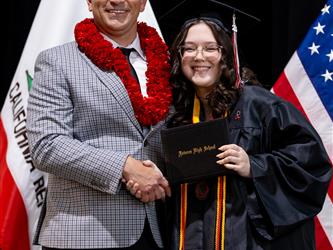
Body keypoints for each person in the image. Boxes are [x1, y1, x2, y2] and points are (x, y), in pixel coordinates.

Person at [164, 16, 332, 249]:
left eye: (210, 48)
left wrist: (254, 166)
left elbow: (312, 163)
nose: (199, 56)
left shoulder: (260, 105)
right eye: (189, 48)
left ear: (226, 54)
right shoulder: (174, 114)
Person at [26, 0, 172, 249]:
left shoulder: (168, 61)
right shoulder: (57, 61)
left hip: (160, 231)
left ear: (144, 3)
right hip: (85, 233)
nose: (117, 0)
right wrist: (125, 167)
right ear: (90, 2)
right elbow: (46, 146)